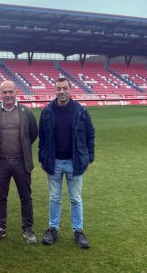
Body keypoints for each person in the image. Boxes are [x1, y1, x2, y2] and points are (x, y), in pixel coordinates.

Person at [38, 77, 95, 249]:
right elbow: (42, 137)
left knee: (75, 198)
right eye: (58, 89)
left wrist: (89, 158)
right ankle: (53, 229)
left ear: (70, 90)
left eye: (65, 88)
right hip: (54, 162)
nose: (62, 92)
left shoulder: (81, 111)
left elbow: (90, 135)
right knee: (54, 197)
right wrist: (43, 157)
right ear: (54, 91)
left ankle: (78, 231)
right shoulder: (47, 111)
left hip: (74, 161)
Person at [0, 80, 38, 244]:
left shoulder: (26, 112)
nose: (8, 95)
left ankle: (27, 229)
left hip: (22, 162)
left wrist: (21, 150)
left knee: (26, 197)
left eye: (10, 92)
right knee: (0, 197)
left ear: (16, 92)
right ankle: (0, 229)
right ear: (0, 94)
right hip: (0, 163)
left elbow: (33, 134)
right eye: (4, 92)